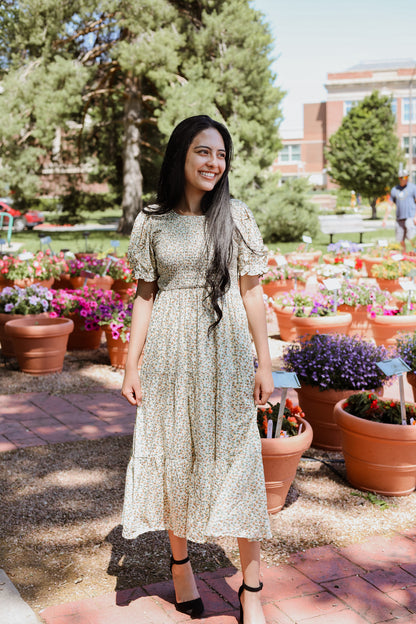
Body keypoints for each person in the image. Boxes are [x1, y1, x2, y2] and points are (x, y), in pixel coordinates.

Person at [121, 115, 273, 624]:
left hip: (226, 352)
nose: (214, 162)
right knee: (175, 457)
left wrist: (264, 362)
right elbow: (144, 295)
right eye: (203, 152)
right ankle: (180, 565)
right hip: (169, 356)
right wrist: (130, 364)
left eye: (221, 154)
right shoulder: (152, 222)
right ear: (181, 157)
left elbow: (252, 292)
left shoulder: (236, 216)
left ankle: (251, 588)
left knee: (241, 460)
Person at [383, 169, 416, 252]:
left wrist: (415, 216)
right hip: (399, 219)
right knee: (400, 240)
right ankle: (403, 257)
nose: (406, 178)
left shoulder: (413, 188)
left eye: (407, 176)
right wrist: (385, 219)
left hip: (410, 217)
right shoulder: (395, 190)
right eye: (404, 177)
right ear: (400, 178)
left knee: (412, 239)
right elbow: (390, 205)